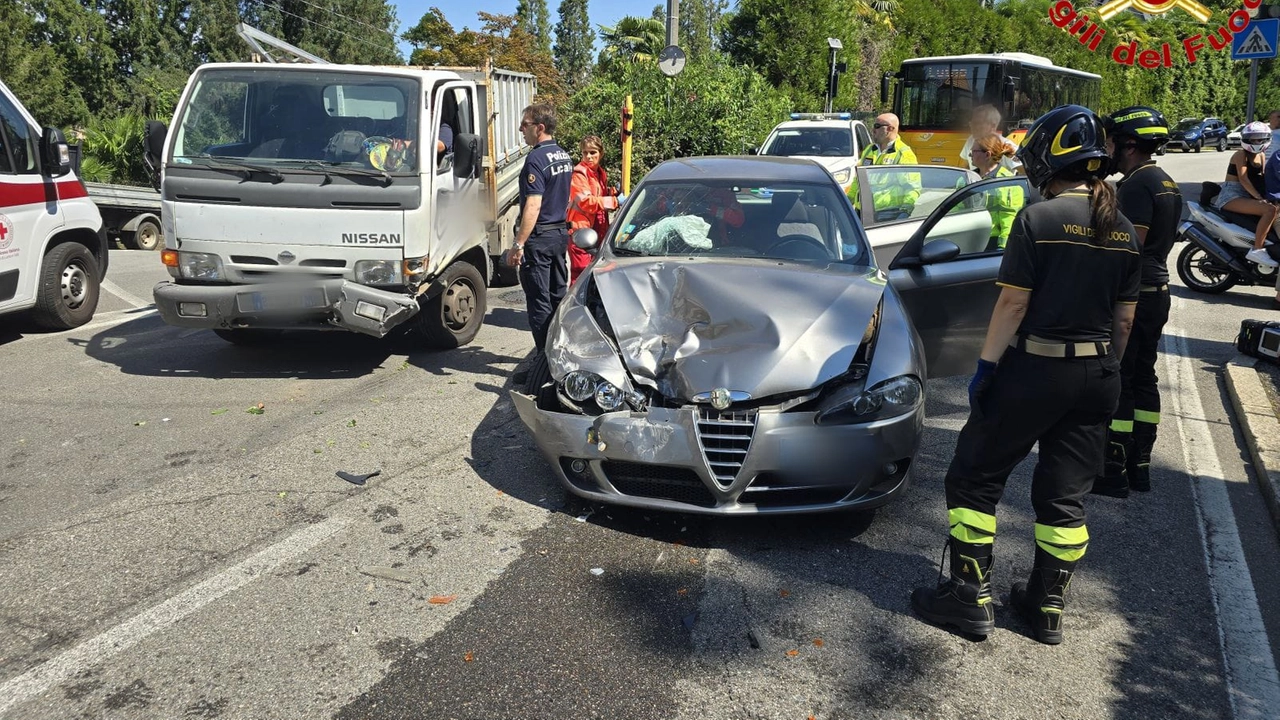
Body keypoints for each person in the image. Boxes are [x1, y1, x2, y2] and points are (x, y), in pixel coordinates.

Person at [910, 105, 1140, 646]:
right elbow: (1125, 319)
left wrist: (986, 369)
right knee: (1064, 496)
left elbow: (1013, 305)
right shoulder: (1123, 228)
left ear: (1047, 159)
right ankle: (1046, 606)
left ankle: (969, 598)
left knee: (974, 476)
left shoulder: (1036, 219)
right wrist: (1108, 370)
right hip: (1097, 374)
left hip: (1036, 368)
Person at [1091, 107, 1183, 498]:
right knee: (1145, 378)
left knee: (1123, 378)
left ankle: (1113, 471)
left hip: (1136, 295)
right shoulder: (1165, 181)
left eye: (1110, 141)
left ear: (1128, 145)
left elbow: (1131, 244)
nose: (1107, 148)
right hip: (1158, 292)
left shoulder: (1137, 186)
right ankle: (1140, 467)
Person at [506, 104, 574, 353]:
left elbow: (533, 205)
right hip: (558, 236)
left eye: (525, 125)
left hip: (541, 239)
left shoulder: (535, 158)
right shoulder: (564, 155)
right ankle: (561, 353)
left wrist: (518, 244)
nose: (521, 129)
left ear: (540, 128)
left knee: (539, 303)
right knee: (558, 298)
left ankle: (544, 363)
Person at [1214, 122, 1278, 267]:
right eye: (1254, 139)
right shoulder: (1240, 154)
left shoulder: (1261, 155)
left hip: (1247, 195)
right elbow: (1243, 179)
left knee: (1274, 207)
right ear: (1246, 139)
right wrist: (1259, 198)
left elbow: (1262, 177)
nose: (1257, 142)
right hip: (1232, 196)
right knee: (1269, 210)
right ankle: (1257, 249)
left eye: (1261, 138)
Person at [566, 136, 623, 283]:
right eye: (585, 153)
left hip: (597, 229)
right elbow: (586, 202)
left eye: (593, 152)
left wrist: (612, 192)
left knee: (598, 274)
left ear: (601, 153)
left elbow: (598, 195)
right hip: (581, 233)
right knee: (580, 276)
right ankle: (575, 305)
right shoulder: (579, 174)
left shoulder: (599, 173)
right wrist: (615, 201)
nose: (589, 157)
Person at [848, 113, 920, 217]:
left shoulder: (903, 154)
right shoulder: (869, 149)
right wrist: (848, 200)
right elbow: (858, 180)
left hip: (887, 213)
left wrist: (906, 210)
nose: (873, 130)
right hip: (862, 211)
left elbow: (912, 187)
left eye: (877, 126)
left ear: (890, 128)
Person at [968, 134, 1024, 249]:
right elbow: (955, 211)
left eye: (973, 151)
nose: (970, 155)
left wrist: (1002, 249)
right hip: (969, 238)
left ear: (987, 154)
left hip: (993, 243)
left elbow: (1009, 219)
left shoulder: (1007, 182)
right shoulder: (967, 178)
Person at [960, 104, 1021, 174]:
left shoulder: (1006, 145)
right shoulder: (971, 140)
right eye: (972, 122)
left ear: (993, 125)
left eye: (978, 123)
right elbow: (966, 166)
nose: (972, 126)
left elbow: (1023, 171)